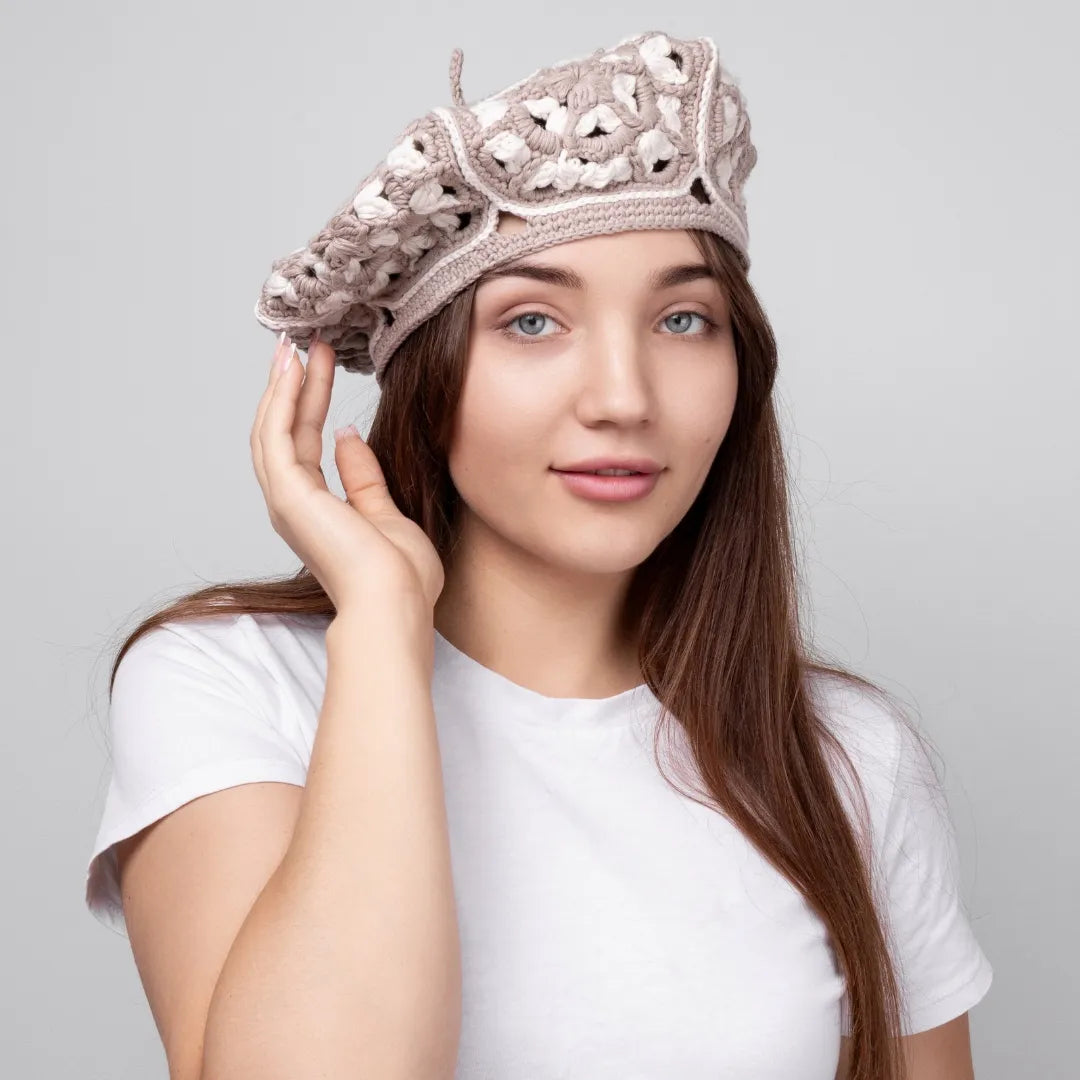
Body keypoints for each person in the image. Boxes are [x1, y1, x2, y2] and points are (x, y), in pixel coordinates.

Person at [83, 29, 993, 1080]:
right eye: (531, 323)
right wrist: (381, 627)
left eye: (684, 319)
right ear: (434, 380)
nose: (622, 397)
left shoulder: (846, 754)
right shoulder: (236, 684)